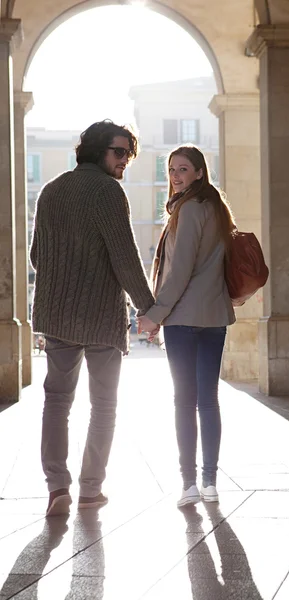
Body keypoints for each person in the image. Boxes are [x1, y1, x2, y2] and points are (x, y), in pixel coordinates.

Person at [30, 120, 154, 517]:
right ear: (97, 150)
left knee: (57, 401)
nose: (124, 162)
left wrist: (64, 274)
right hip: (100, 314)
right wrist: (147, 307)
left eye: (128, 156)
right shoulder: (107, 191)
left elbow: (37, 256)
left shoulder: (51, 190)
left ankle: (57, 488)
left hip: (56, 312)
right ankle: (89, 489)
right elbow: (124, 257)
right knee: (103, 405)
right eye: (119, 153)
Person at [138, 145, 236, 508]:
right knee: (208, 400)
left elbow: (179, 271)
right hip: (213, 318)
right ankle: (209, 481)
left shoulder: (189, 210)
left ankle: (190, 483)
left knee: (186, 401)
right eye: (171, 169)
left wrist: (155, 314)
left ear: (198, 172)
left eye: (183, 169)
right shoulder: (216, 208)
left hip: (183, 319)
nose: (176, 175)